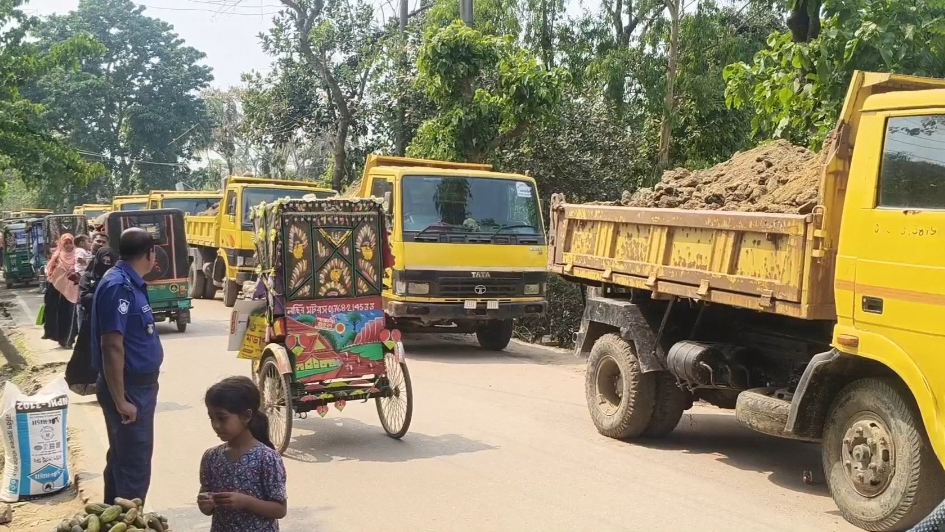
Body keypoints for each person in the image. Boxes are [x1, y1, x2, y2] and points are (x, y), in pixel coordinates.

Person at [92, 228, 162, 503]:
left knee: (123, 461)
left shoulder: (128, 283)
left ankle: (113, 518)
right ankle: (129, 521)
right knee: (134, 467)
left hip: (138, 387)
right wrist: (121, 400)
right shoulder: (118, 286)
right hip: (130, 389)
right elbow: (111, 345)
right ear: (150, 254)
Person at [198, 376, 287, 531]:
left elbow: (280, 509)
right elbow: (207, 506)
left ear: (246, 416)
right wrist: (206, 504)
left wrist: (246, 502)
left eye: (222, 418)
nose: (216, 425)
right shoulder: (211, 457)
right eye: (211, 418)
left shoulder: (267, 458)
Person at [65, 246, 117, 395]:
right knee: (91, 356)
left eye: (109, 261)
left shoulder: (116, 277)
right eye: (103, 260)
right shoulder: (88, 277)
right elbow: (84, 297)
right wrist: (103, 298)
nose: (106, 263)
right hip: (92, 324)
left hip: (113, 323)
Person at [44, 234, 79, 347]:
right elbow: (50, 272)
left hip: (72, 290)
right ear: (62, 244)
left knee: (70, 316)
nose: (69, 246)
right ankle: (58, 337)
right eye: (66, 243)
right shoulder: (57, 256)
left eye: (70, 243)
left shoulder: (77, 255)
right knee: (57, 315)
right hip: (57, 291)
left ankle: (68, 340)